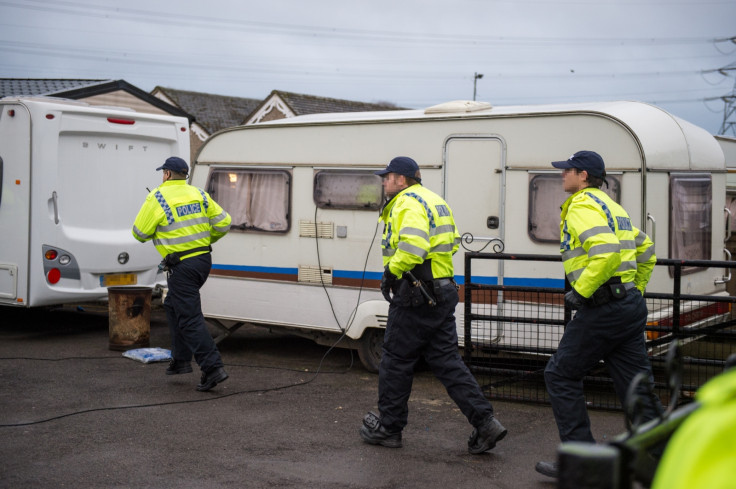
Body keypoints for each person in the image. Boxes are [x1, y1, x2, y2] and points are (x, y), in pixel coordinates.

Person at [359, 156, 507, 453]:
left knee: (396, 360)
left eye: (387, 177)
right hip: (441, 292)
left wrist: (392, 272)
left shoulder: (406, 202)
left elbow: (413, 246)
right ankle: (485, 423)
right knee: (447, 361)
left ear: (401, 179)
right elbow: (450, 243)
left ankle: (389, 427)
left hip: (416, 295)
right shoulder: (435, 201)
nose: (384, 182)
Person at [535, 150, 664, 478]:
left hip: (604, 309)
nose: (562, 175)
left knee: (560, 374)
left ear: (582, 176)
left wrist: (581, 292)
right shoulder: (613, 207)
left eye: (567, 171)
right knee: (637, 387)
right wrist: (633, 288)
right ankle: (666, 458)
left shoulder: (581, 205)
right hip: (627, 307)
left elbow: (604, 253)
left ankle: (584, 464)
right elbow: (647, 249)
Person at [132, 156, 232, 392]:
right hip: (202, 261)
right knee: (173, 306)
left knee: (189, 319)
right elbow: (224, 223)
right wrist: (205, 240)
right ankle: (180, 361)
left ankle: (212, 368)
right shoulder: (199, 194)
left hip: (182, 267)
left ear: (166, 174)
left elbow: (139, 233)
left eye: (163, 173)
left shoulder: (157, 196)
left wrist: (156, 223)